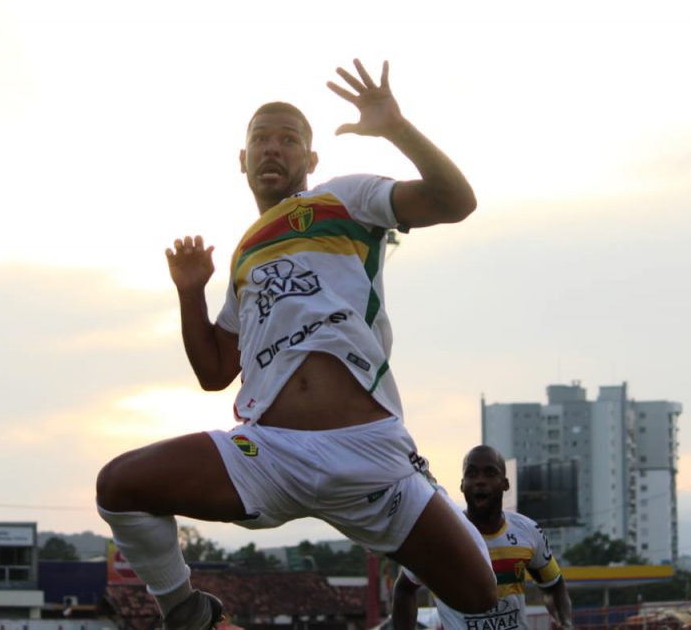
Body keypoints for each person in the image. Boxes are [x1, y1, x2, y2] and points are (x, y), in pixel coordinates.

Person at [96, 59, 496, 630]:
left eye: (289, 140)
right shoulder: (244, 254)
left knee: (481, 594)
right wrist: (190, 293)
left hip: (368, 453)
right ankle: (188, 613)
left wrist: (396, 128)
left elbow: (456, 202)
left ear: (311, 159)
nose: (272, 149)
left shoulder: (346, 199)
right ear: (242, 159)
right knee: (119, 486)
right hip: (271, 454)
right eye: (260, 139)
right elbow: (214, 372)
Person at [392, 445, 574, 630]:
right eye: (472, 474)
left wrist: (565, 622)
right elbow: (404, 588)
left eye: (490, 473)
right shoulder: (438, 536)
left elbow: (553, 586)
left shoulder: (528, 531)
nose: (480, 481)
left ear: (505, 483)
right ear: (462, 485)